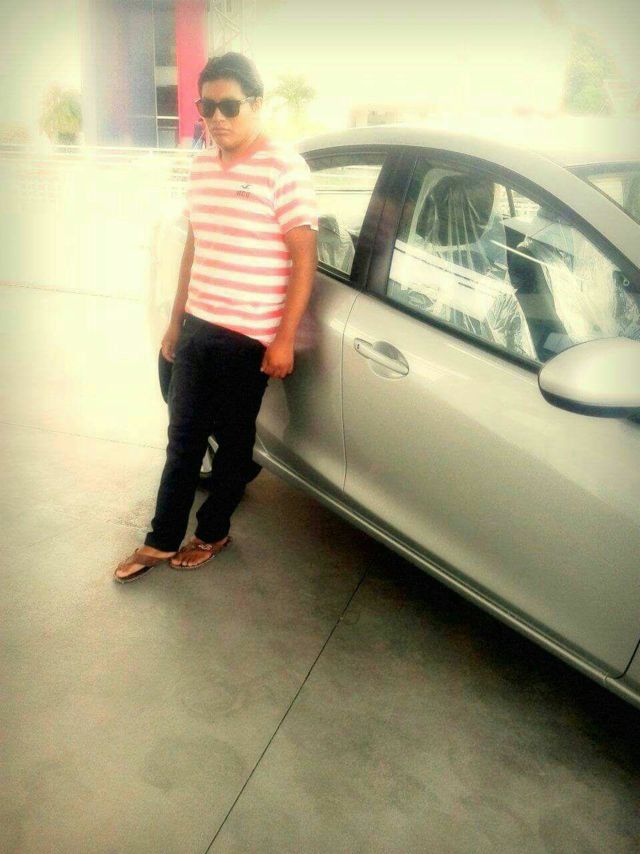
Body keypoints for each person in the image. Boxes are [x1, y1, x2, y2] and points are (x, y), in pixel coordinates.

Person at [114, 53, 318, 582]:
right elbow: (195, 246)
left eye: (230, 105)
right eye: (207, 106)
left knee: (232, 444)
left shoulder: (283, 167)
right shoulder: (202, 165)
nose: (217, 117)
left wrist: (283, 339)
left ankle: (212, 533)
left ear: (257, 104)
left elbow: (304, 257)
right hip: (199, 324)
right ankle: (161, 538)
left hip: (249, 335)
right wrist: (175, 320)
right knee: (182, 438)